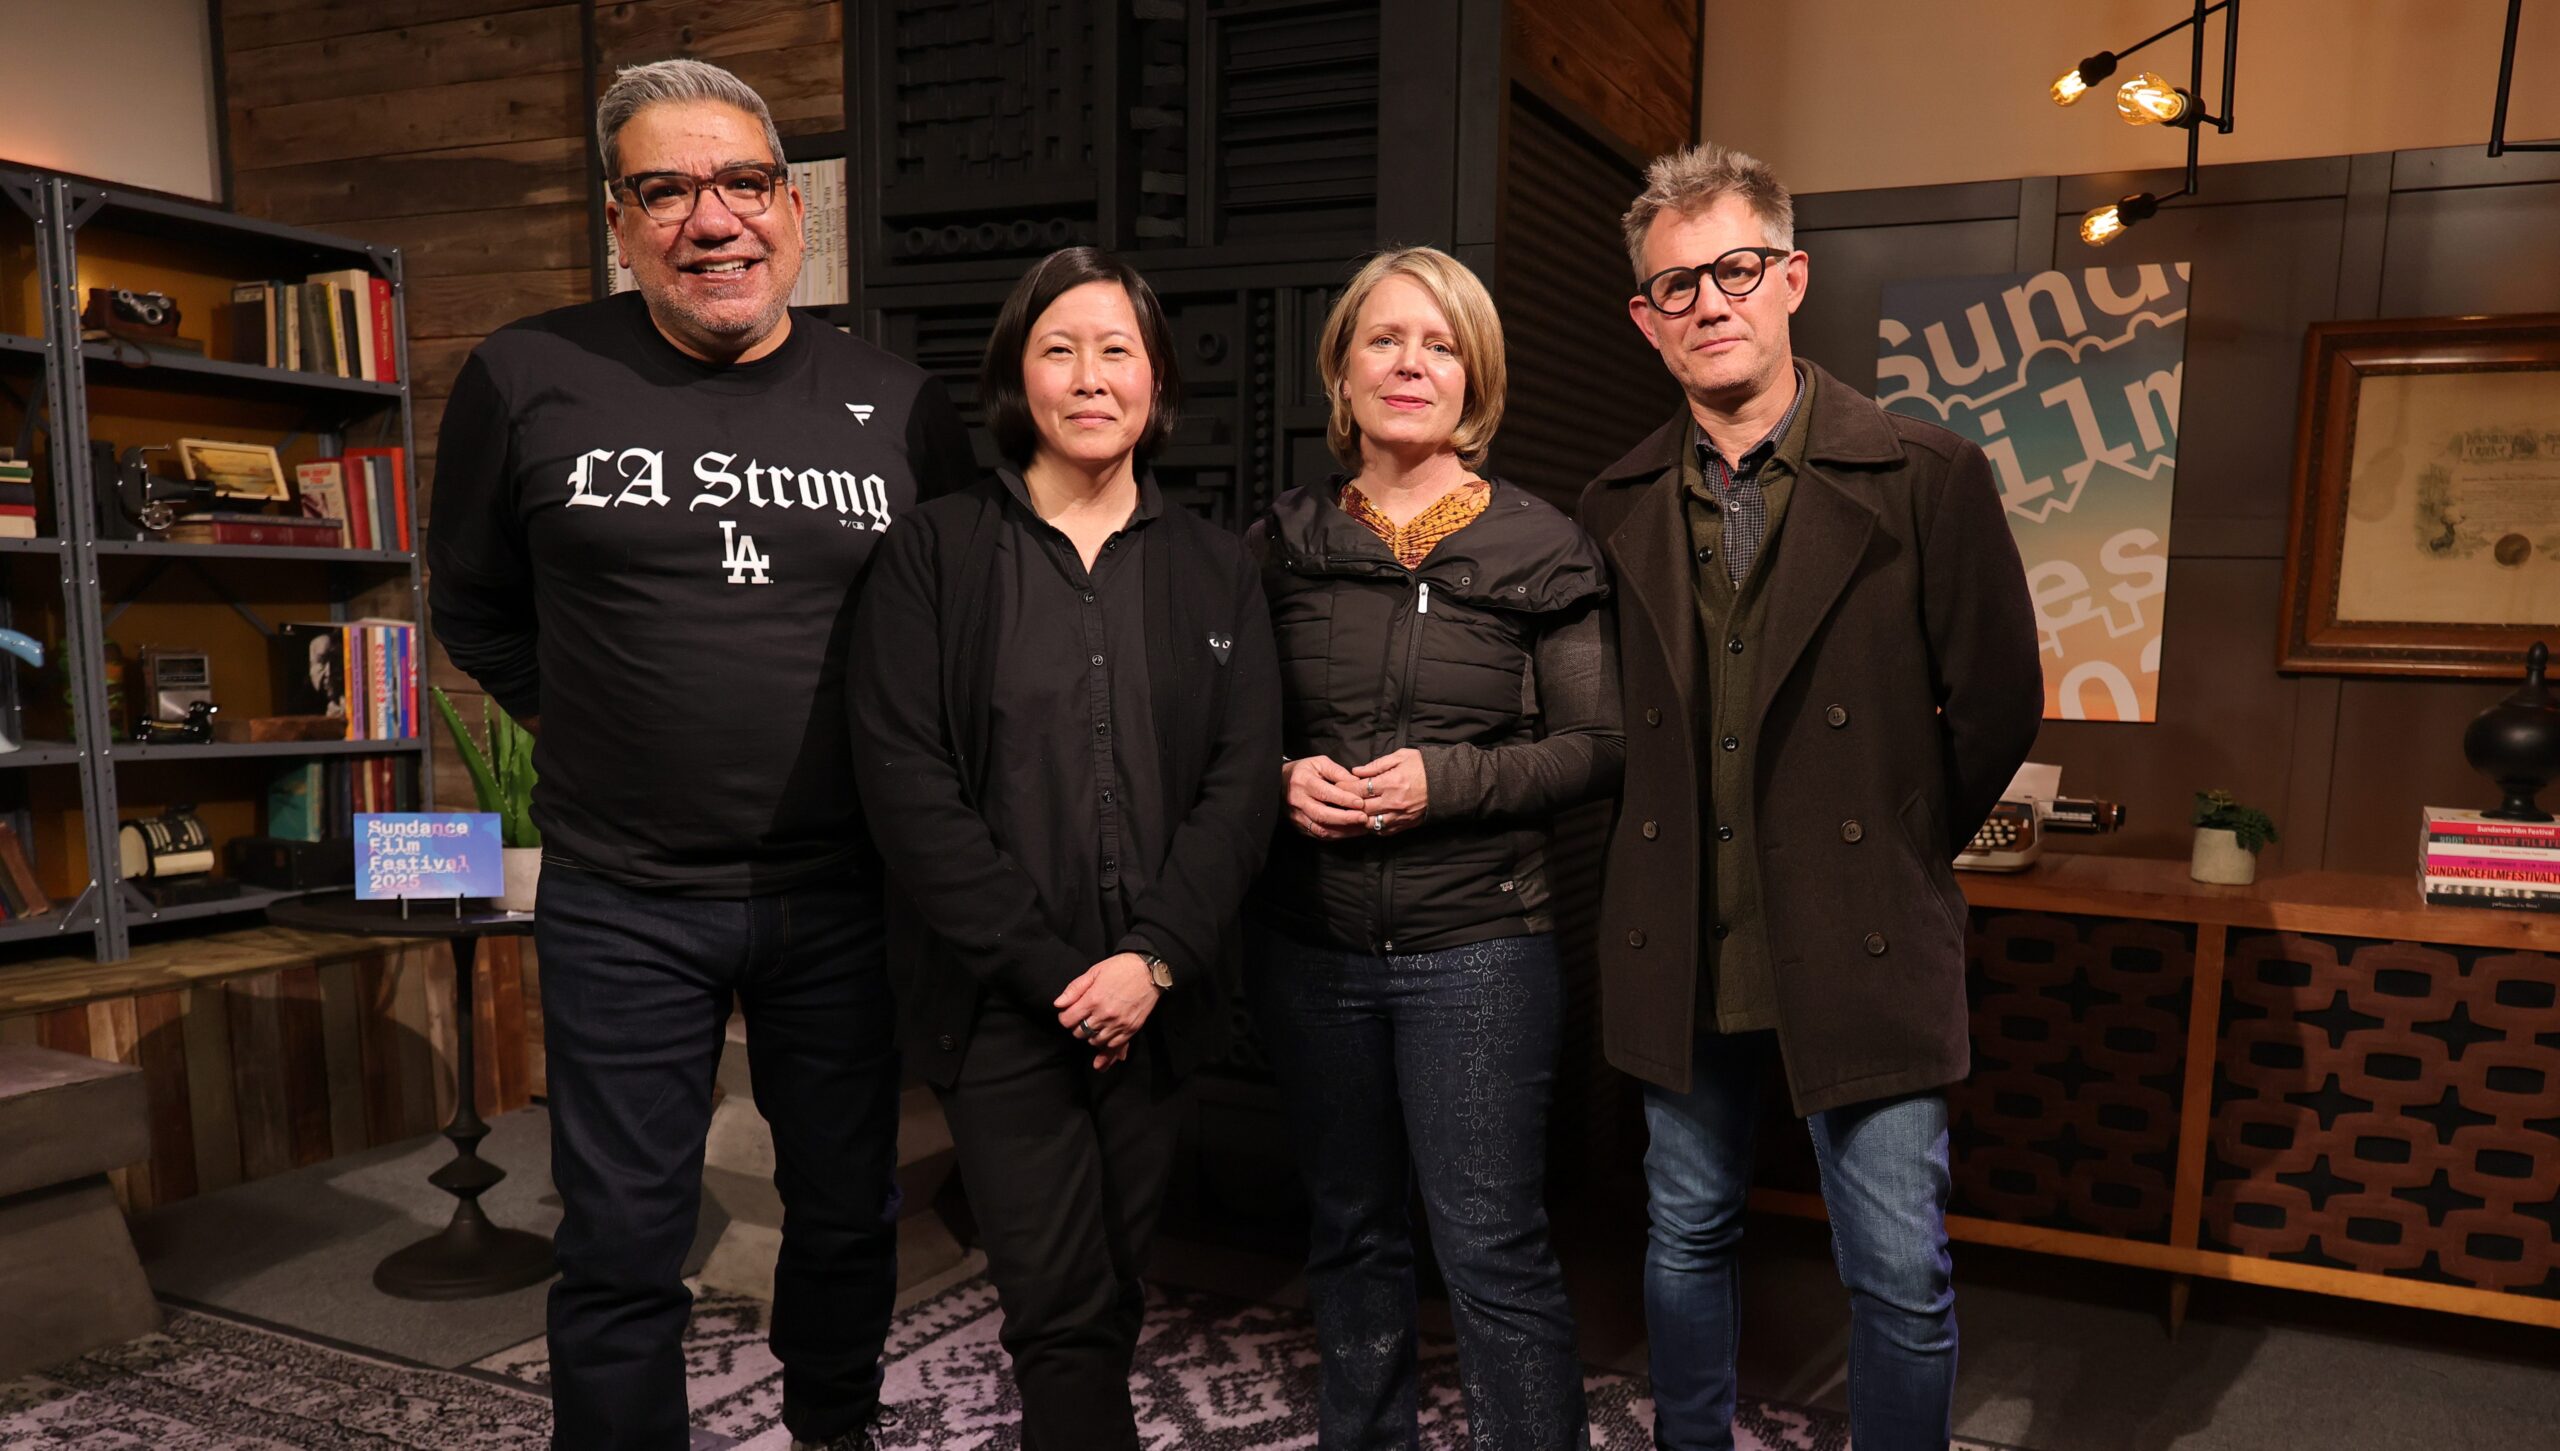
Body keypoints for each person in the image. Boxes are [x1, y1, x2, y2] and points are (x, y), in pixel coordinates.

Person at [429, 58, 973, 1451]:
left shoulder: (902, 406)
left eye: (739, 182)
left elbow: (962, 622)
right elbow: (474, 603)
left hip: (846, 891)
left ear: (795, 209)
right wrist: (594, 714)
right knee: (620, 1238)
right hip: (625, 894)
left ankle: (834, 1431)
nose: (708, 218)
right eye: (665, 188)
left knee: (849, 1211)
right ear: (620, 221)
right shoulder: (527, 373)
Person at [1576, 143, 2041, 1451]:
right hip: (1682, 931)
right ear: (1645, 319)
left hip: (1866, 927)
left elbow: (2000, 706)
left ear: (1791, 279)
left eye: (1734, 270)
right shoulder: (1612, 503)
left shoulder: (1926, 475)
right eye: (1676, 285)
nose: (1709, 302)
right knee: (1684, 1233)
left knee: (1898, 1270)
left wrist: (1885, 848)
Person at [847, 246, 1280, 1451]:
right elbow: (908, 788)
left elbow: (1241, 787)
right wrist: (1053, 974)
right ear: (1015, 377)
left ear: (1155, 380)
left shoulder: (1214, 567)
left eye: (1116, 349)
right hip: (1002, 1000)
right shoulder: (933, 553)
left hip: (1161, 993)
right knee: (1061, 1303)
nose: (1089, 377)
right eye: (1058, 348)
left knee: (1114, 1279)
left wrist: (1150, 959)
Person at [1245, 246, 1622, 1450]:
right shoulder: (1283, 539)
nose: (1411, 363)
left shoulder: (1540, 546)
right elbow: (1216, 736)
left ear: (1476, 377)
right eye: (1385, 339)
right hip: (1310, 949)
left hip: (1481, 951)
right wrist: (1275, 779)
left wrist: (1445, 781)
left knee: (1490, 1243)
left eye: (1441, 342)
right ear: (1341, 368)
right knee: (1349, 1231)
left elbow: (1595, 747)